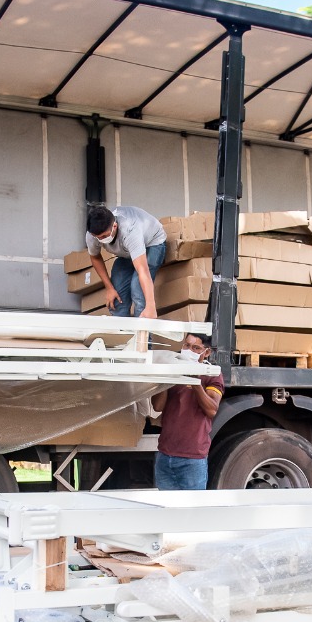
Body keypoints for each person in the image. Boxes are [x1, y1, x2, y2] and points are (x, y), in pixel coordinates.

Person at [152, 333, 223, 490]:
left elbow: (211, 410)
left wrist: (195, 381)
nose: (189, 350)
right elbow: (157, 406)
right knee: (166, 510)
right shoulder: (174, 369)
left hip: (192, 460)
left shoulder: (212, 374)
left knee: (192, 511)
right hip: (165, 455)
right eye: (186, 345)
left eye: (196, 348)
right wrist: (166, 379)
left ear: (207, 352)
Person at [85, 205, 166, 319]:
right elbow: (95, 257)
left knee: (137, 289)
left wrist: (151, 306)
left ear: (114, 226)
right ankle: (122, 334)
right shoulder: (92, 235)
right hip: (126, 252)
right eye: (98, 237)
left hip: (152, 243)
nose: (101, 240)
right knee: (117, 290)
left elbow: (142, 271)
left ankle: (142, 335)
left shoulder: (130, 230)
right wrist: (109, 288)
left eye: (104, 236)